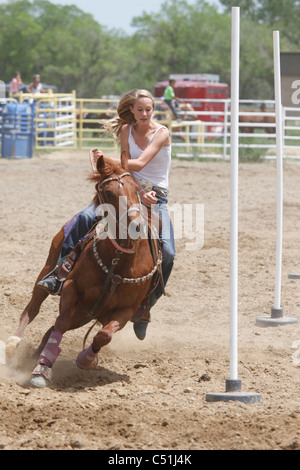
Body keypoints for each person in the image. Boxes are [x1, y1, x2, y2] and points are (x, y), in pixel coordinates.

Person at [38, 89, 175, 340]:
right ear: (131, 111)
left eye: (149, 110)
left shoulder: (162, 133)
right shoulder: (126, 130)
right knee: (84, 219)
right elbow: (125, 168)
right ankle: (58, 273)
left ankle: (144, 306)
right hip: (127, 190)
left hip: (156, 197)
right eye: (140, 109)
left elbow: (140, 163)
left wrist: (106, 159)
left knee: (167, 252)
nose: (145, 114)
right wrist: (132, 189)